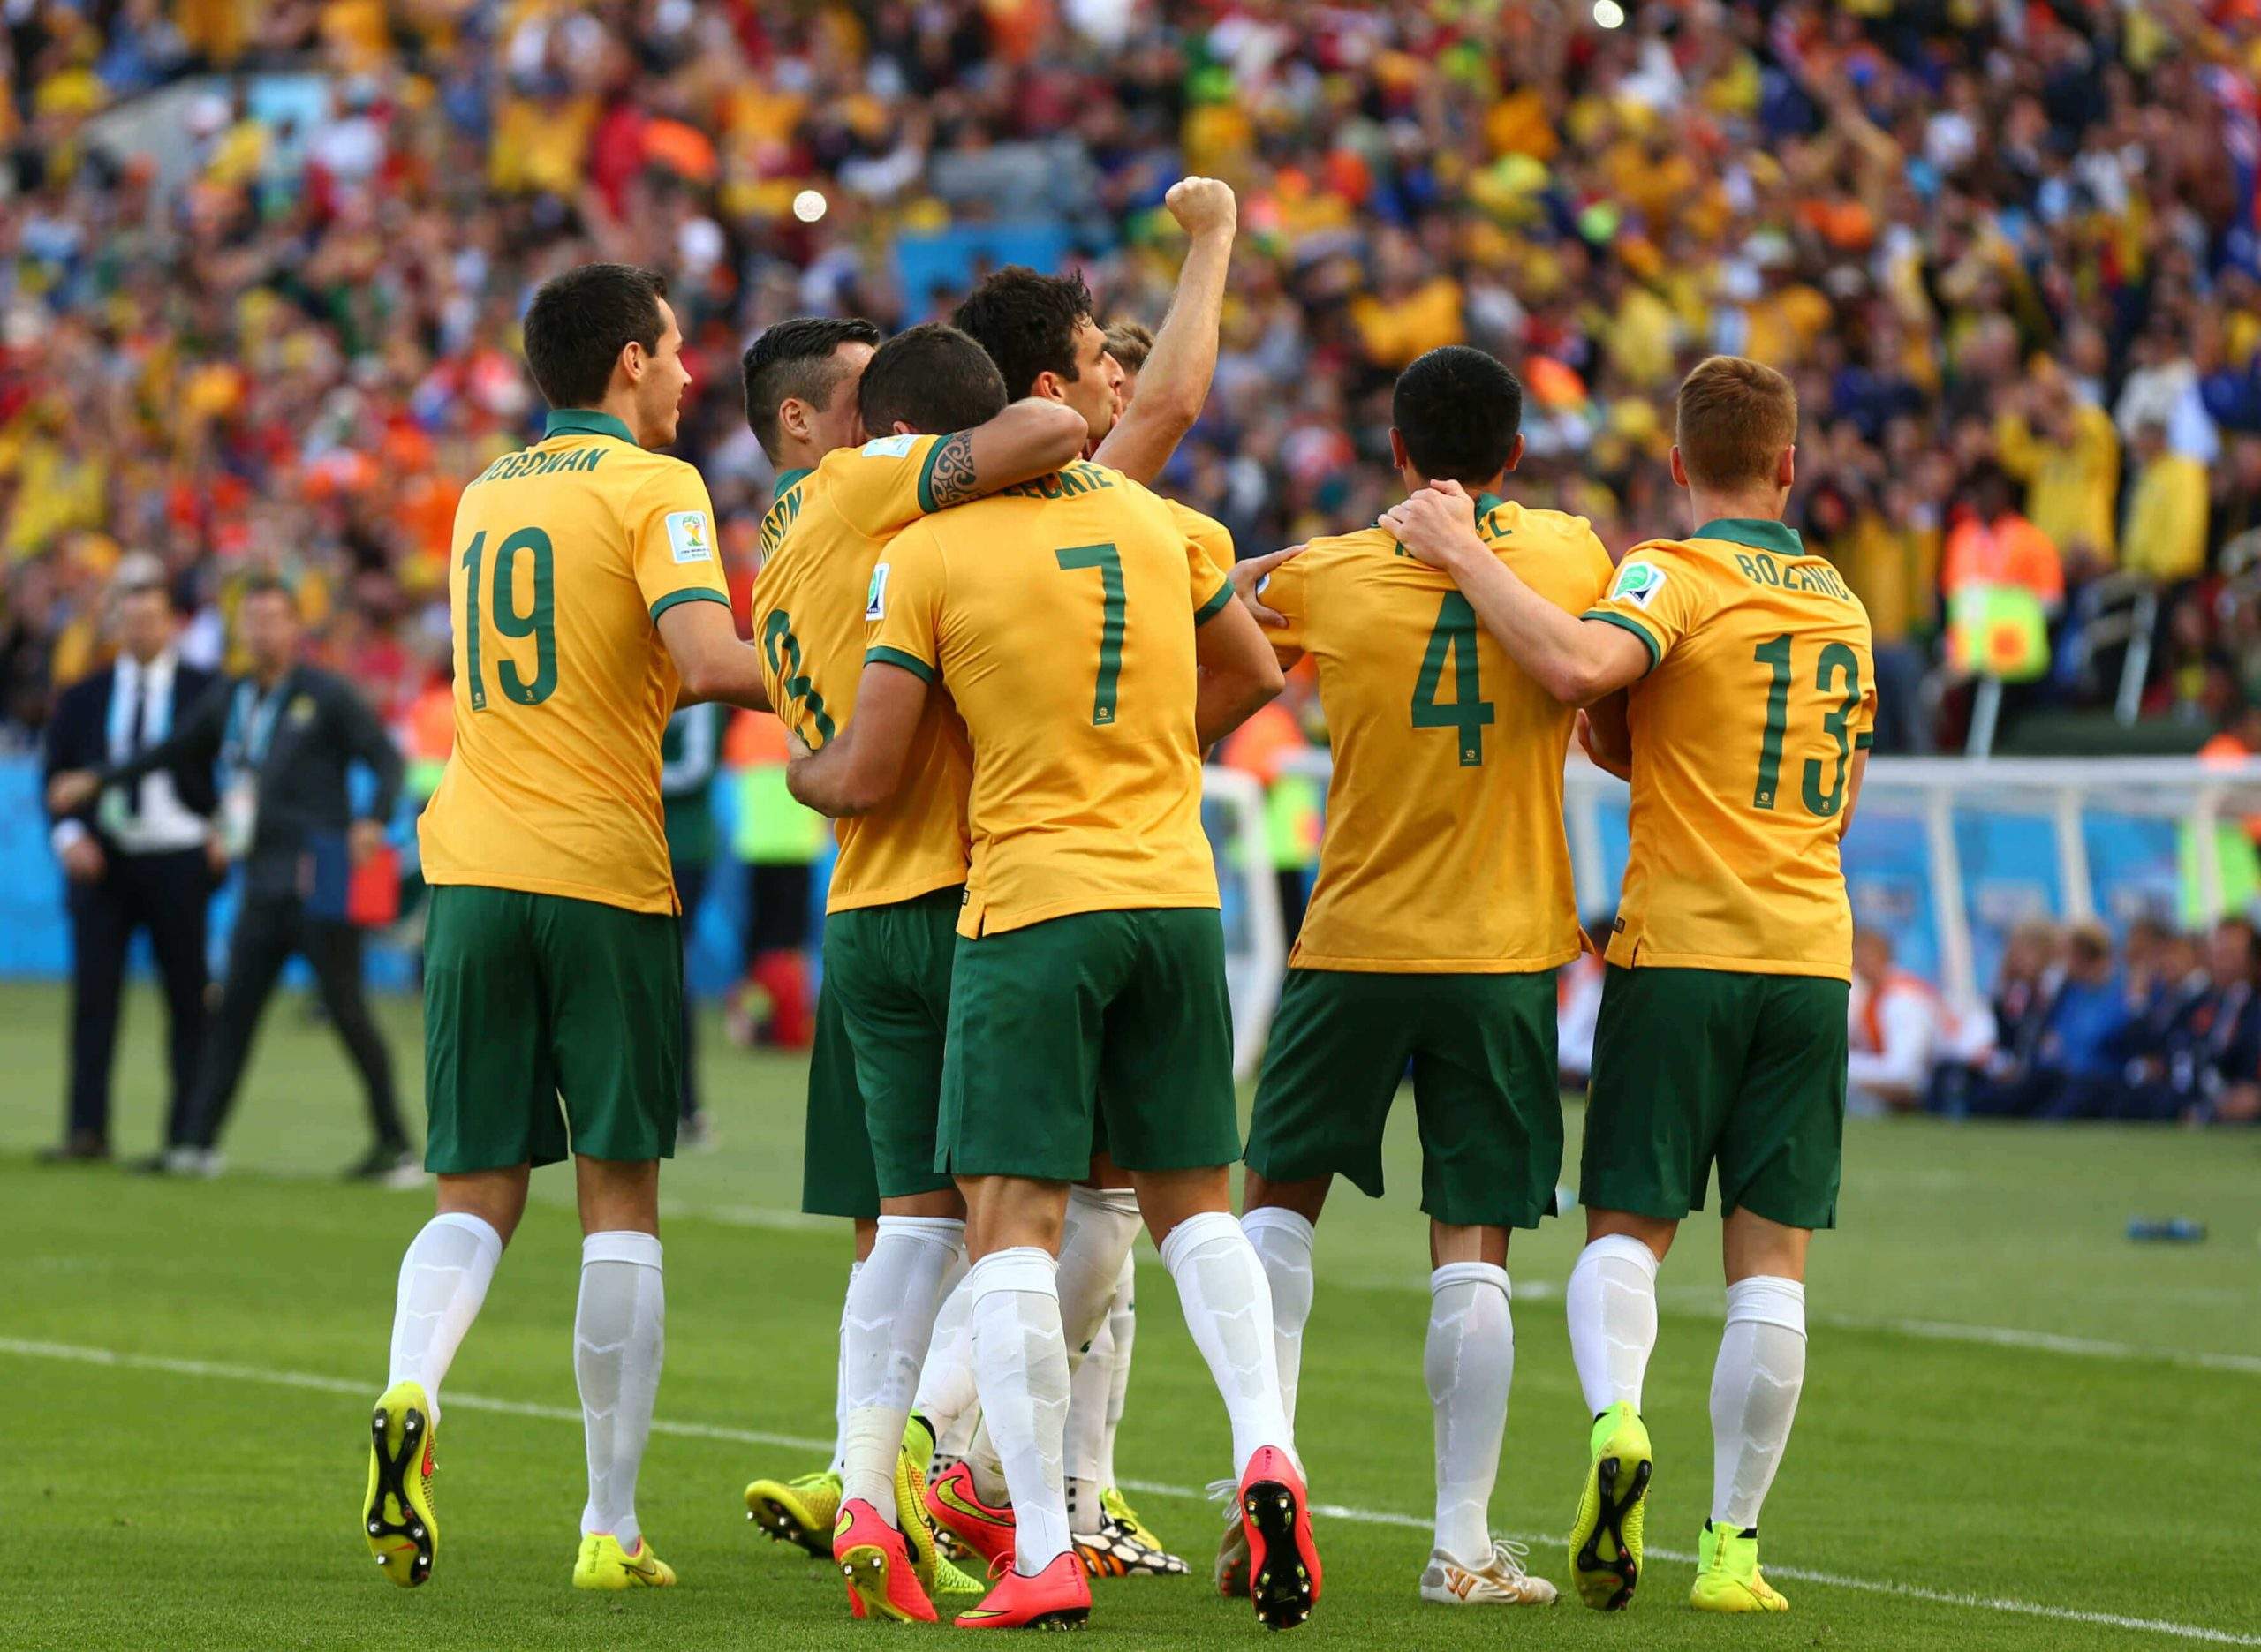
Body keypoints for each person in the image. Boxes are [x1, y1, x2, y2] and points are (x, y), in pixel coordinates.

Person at [786, 328, 1313, 1632]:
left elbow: (868, 771)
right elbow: (1255, 667)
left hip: (1026, 898)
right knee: (1191, 1207)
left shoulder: (925, 547)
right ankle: (1266, 1446)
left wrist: (804, 770)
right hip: (1177, 894)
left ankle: (1032, 1539)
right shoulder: (1156, 519)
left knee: (1004, 1221)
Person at [1383, 355, 1876, 1615]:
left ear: (1676, 463)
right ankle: (1733, 1551)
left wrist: (1462, 551)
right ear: (1788, 464)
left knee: (1628, 1229)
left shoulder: (1670, 572)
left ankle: (1617, 1421)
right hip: (1809, 955)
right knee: (1771, 1261)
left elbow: (1579, 672)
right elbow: (1824, 794)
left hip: (1683, 949)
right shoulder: (1842, 604)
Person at [355, 262, 775, 1595]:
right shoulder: (656, 487)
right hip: (599, 869)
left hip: (471, 868)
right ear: (629, 361)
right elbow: (709, 659)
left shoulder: (487, 490)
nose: (691, 372)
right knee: (619, 1197)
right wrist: (875, 677)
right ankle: (610, 1522)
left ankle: (411, 1384)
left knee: (474, 1189)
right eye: (676, 347)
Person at [1233, 345, 1605, 1609]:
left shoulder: (1331, 572)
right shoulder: (1570, 552)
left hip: (1351, 938)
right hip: (1500, 949)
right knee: (1474, 1244)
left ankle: (1259, 1477)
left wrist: (1269, 562)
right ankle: (1462, 1544)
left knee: (1273, 1212)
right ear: (1515, 453)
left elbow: (1215, 615)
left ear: (1395, 452)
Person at [744, 321, 1086, 1623]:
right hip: (968, 897)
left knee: (910, 1224)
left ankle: (866, 1494)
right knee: (1047, 1216)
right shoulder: (865, 479)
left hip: (863, 908)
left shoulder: (786, 536)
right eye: (858, 385)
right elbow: (1053, 428)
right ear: (824, 418)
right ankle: (1031, 1508)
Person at [50, 577, 412, 1181]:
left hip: (320, 870)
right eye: (253, 619)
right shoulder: (233, 696)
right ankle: (196, 1144)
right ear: (240, 628)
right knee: (232, 1015)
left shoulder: (326, 695)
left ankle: (395, 1145)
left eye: (274, 618)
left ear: (296, 627)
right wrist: (98, 781)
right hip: (262, 877)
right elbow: (169, 750)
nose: (262, 630)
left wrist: (373, 819)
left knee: (347, 1010)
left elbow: (387, 759)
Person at [39, 557, 216, 1165]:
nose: (142, 630)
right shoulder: (84, 696)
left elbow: (233, 767)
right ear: (117, 624)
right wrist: (69, 836)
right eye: (132, 619)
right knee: (94, 999)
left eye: (152, 619)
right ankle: (86, 1130)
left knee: (187, 1000)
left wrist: (222, 829)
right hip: (105, 861)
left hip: (179, 856)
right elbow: (54, 776)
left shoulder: (205, 691)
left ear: (171, 624)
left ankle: (186, 1135)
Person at [659, 700, 722, 1148]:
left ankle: (685, 1106)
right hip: (638, 841)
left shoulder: (697, 687)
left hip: (681, 850)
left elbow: (696, 767)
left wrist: (626, 771)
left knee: (668, 971)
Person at [1846, 930, 1950, 1114]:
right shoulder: (1874, 995)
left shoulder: (1901, 998)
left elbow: (1905, 1074)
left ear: (1877, 956)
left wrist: (1842, 1066)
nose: (1854, 964)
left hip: (1955, 1082)